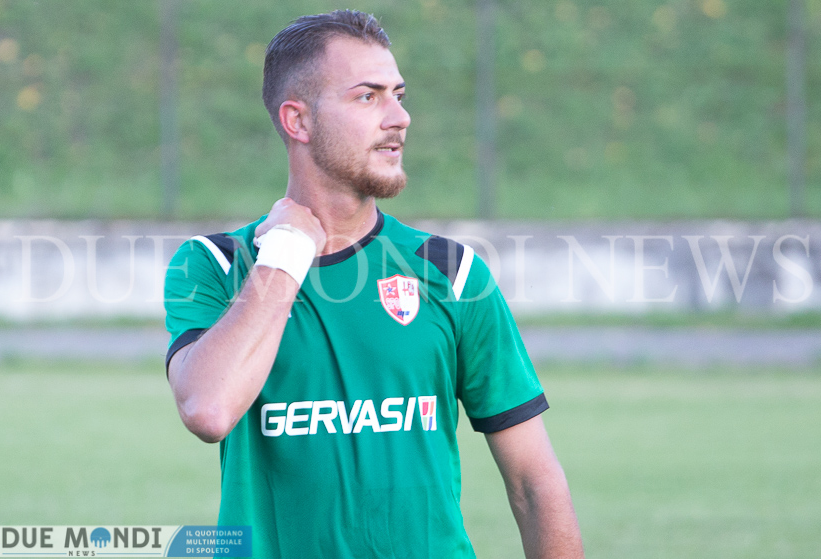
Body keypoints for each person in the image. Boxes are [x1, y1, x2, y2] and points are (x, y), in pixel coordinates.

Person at [164, 9, 584, 558]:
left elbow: (534, 483)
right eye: (368, 97)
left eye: (399, 95)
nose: (400, 117)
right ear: (298, 121)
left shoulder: (451, 272)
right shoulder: (216, 265)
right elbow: (208, 410)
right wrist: (287, 253)